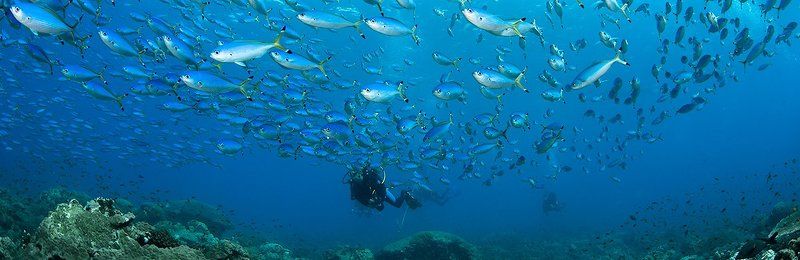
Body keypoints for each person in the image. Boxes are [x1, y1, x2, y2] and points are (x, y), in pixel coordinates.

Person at [345, 165, 421, 211]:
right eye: (354, 176)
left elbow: (382, 187)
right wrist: (369, 202)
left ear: (361, 172)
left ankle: (404, 193)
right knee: (380, 208)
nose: (358, 177)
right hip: (371, 197)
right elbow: (358, 197)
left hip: (380, 192)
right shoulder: (354, 185)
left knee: (397, 205)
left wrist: (379, 199)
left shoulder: (371, 177)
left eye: (358, 174)